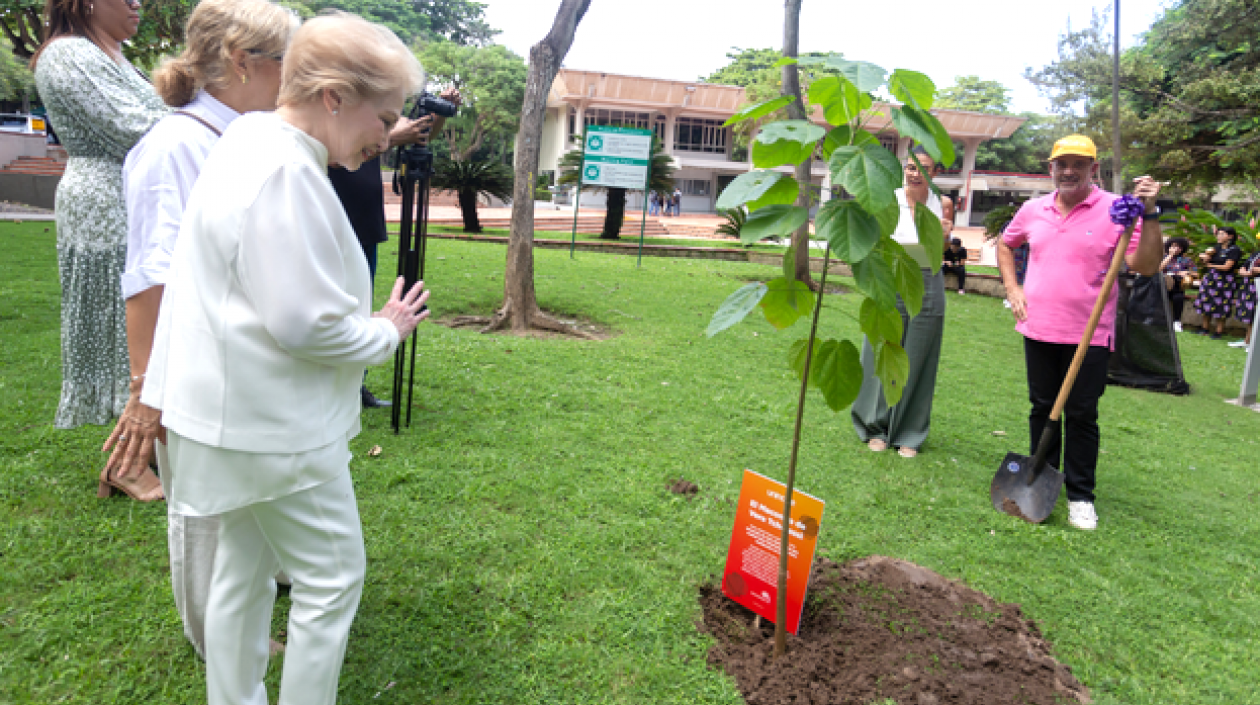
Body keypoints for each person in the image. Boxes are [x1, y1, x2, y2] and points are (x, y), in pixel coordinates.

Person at [140, 13, 428, 704]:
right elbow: (305, 323)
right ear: (333, 95)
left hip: (230, 419)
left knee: (242, 570)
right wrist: (386, 329)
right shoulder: (282, 169)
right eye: (382, 116)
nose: (385, 136)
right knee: (333, 577)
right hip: (273, 427)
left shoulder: (248, 142)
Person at [100, 0, 297, 659]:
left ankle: (256, 592)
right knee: (207, 508)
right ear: (242, 61)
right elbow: (150, 279)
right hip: (196, 368)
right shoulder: (177, 147)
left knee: (248, 491)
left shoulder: (242, 141)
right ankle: (221, 637)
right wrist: (144, 391)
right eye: (287, 65)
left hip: (243, 360)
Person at [31, 0, 169, 498]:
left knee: (147, 328)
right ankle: (128, 463)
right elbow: (138, 125)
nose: (137, 4)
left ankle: (143, 453)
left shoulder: (115, 55)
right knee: (124, 332)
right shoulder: (68, 54)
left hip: (137, 198)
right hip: (106, 207)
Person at [997, 135, 1163, 531]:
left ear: (1094, 169)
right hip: (1038, 329)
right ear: (1050, 168)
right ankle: (1043, 481)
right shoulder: (1032, 209)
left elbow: (1147, 265)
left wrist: (1151, 212)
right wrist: (1013, 288)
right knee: (1042, 406)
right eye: (1061, 164)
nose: (1069, 171)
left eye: (1078, 164)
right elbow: (1006, 246)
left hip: (1089, 334)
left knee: (1082, 414)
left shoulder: (1117, 211)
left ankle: (1081, 496)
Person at [328, 88, 458, 409]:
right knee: (335, 304)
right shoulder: (332, 112)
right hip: (335, 220)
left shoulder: (375, 108)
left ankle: (356, 386)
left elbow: (419, 136)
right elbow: (336, 155)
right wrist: (390, 137)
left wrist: (437, 116)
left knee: (360, 304)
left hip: (366, 221)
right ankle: (330, 386)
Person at [851, 148, 953, 459]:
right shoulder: (888, 200)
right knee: (883, 350)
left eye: (923, 168)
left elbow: (941, 248)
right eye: (910, 167)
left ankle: (909, 432)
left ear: (934, 173)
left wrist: (946, 235)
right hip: (891, 274)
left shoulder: (942, 204)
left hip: (928, 278)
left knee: (920, 354)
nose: (914, 173)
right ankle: (876, 427)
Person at [1192, 226, 1243, 339]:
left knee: (1221, 305)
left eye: (1222, 234)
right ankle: (1205, 328)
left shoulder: (1234, 250)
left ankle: (1218, 331)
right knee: (1206, 302)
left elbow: (1227, 266)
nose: (1218, 236)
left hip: (1225, 280)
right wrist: (1203, 257)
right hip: (1211, 278)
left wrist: (1210, 265)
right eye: (1218, 234)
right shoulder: (1216, 248)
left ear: (1230, 236)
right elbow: (1205, 260)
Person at [1160, 237, 1194, 332]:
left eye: (1179, 247)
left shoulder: (1186, 260)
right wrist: (1170, 256)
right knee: (1161, 297)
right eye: (1174, 246)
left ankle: (1176, 322)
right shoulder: (1163, 257)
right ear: (1169, 246)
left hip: (1178, 285)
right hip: (1163, 284)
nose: (1176, 249)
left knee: (1178, 298)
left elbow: (1195, 272)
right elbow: (1159, 268)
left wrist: (1186, 272)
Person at [1230, 248, 1259, 349]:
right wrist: (1245, 272)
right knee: (1251, 315)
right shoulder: (1256, 254)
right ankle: (1247, 341)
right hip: (1250, 286)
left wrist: (1254, 271)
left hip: (1257, 286)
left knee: (1256, 315)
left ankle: (1253, 344)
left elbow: (1256, 269)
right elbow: (1244, 267)